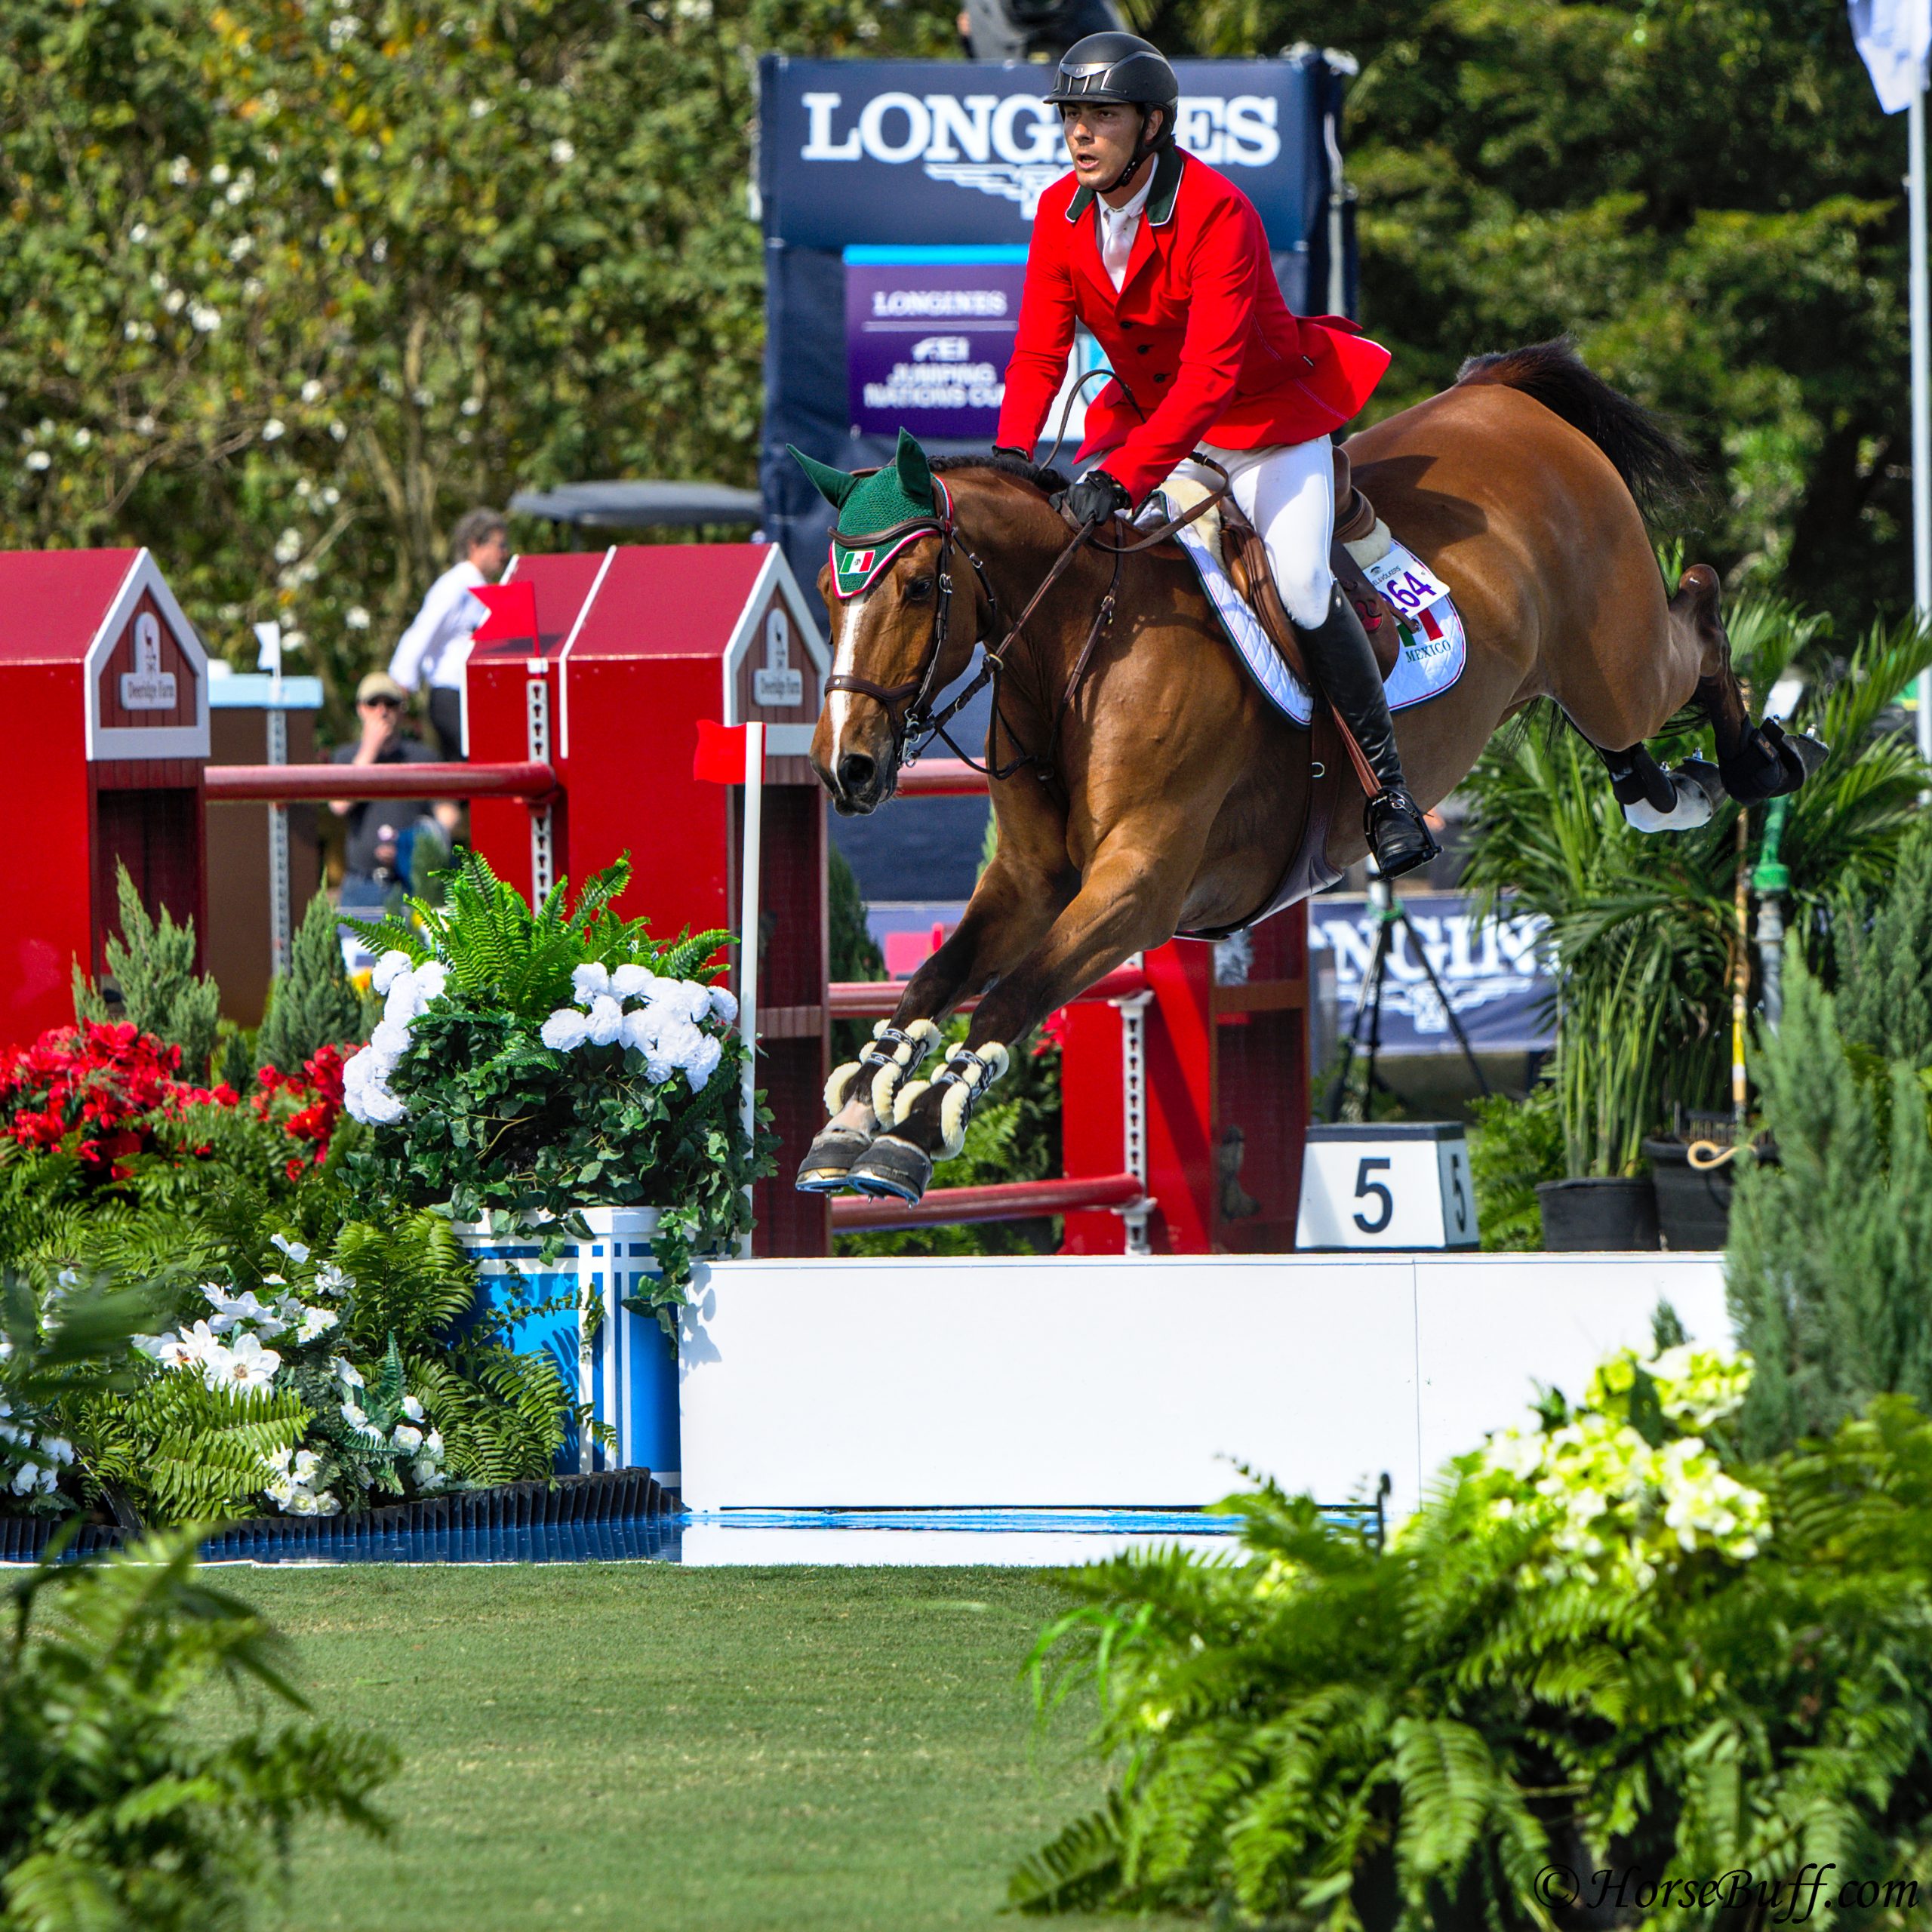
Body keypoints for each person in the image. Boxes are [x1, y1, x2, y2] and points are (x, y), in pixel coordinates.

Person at [991, 33, 1438, 878]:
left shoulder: (1216, 211)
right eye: (1071, 117)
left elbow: (1210, 375)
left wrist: (1123, 475)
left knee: (1302, 579)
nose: (1080, 134)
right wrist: (1012, 457)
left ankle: (1387, 793)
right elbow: (1040, 355)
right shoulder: (1058, 213)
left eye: (1102, 117)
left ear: (1152, 125)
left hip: (1261, 425)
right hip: (1151, 427)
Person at [328, 671, 457, 914]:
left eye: (390, 703)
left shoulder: (422, 758)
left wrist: (411, 845)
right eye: (373, 703)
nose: (382, 711)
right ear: (360, 709)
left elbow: (448, 815)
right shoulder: (346, 758)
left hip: (413, 883)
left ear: (402, 710)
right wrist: (371, 749)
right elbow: (339, 805)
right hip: (362, 885)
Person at [386, 507, 509, 760]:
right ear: (475, 545)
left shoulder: (479, 587)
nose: (505, 554)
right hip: (452, 694)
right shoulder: (456, 586)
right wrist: (400, 685)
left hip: (470, 694)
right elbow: (422, 631)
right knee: (481, 761)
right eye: (500, 545)